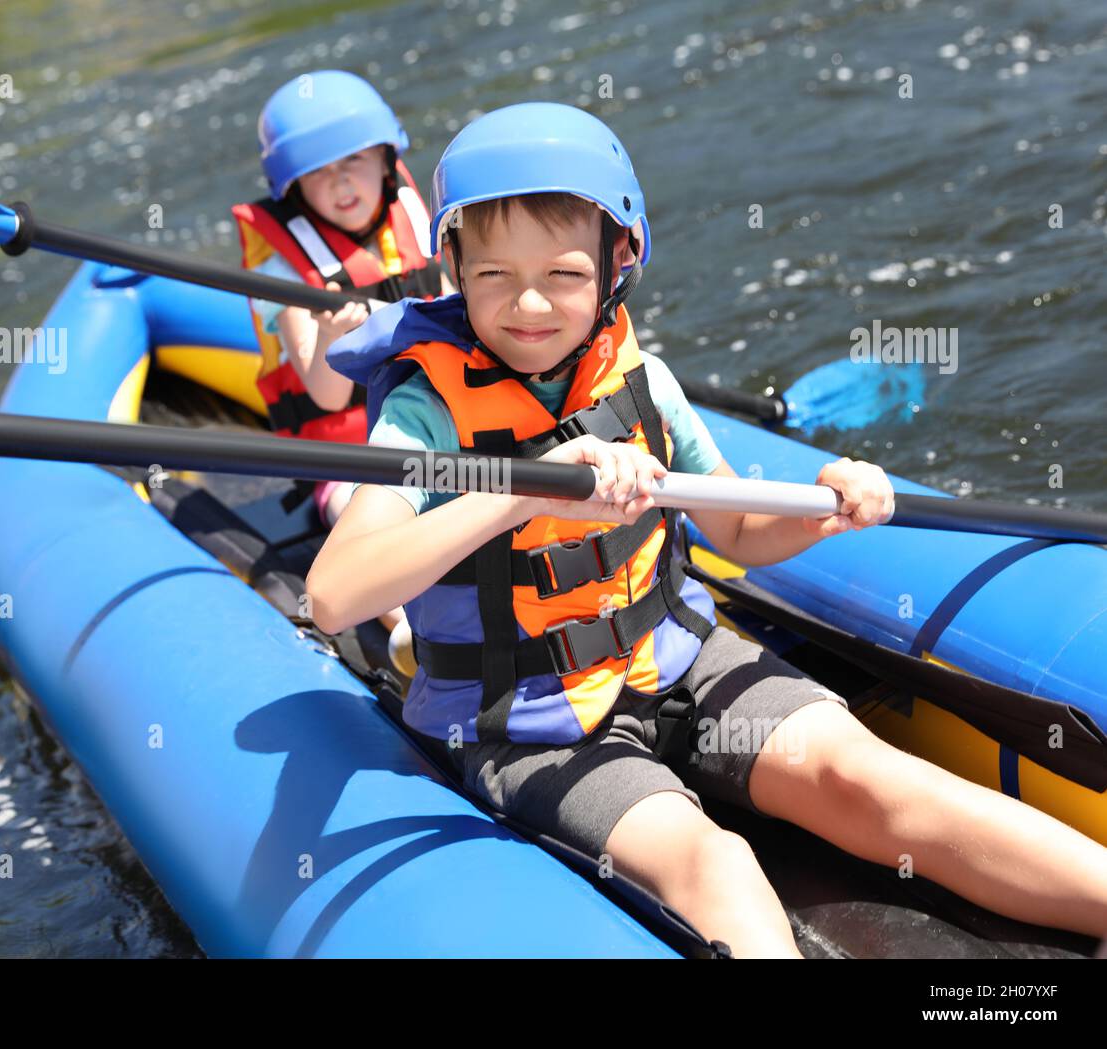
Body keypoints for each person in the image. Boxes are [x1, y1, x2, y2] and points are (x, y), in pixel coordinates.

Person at [306, 102, 1107, 957]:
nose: (529, 304)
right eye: (493, 274)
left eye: (564, 274)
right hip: (530, 719)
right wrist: (517, 495)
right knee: (713, 861)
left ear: (619, 264)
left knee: (872, 780)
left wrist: (826, 507)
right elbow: (333, 593)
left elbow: (740, 529)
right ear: (454, 265)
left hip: (685, 655)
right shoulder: (426, 414)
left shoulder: (642, 378)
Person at [234, 69, 453, 668]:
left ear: (386, 159)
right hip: (350, 455)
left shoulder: (421, 220)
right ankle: (407, 627)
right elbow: (327, 397)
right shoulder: (288, 274)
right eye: (319, 171)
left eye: (354, 160)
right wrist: (333, 338)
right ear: (293, 187)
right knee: (363, 515)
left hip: (437, 420)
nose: (341, 181)